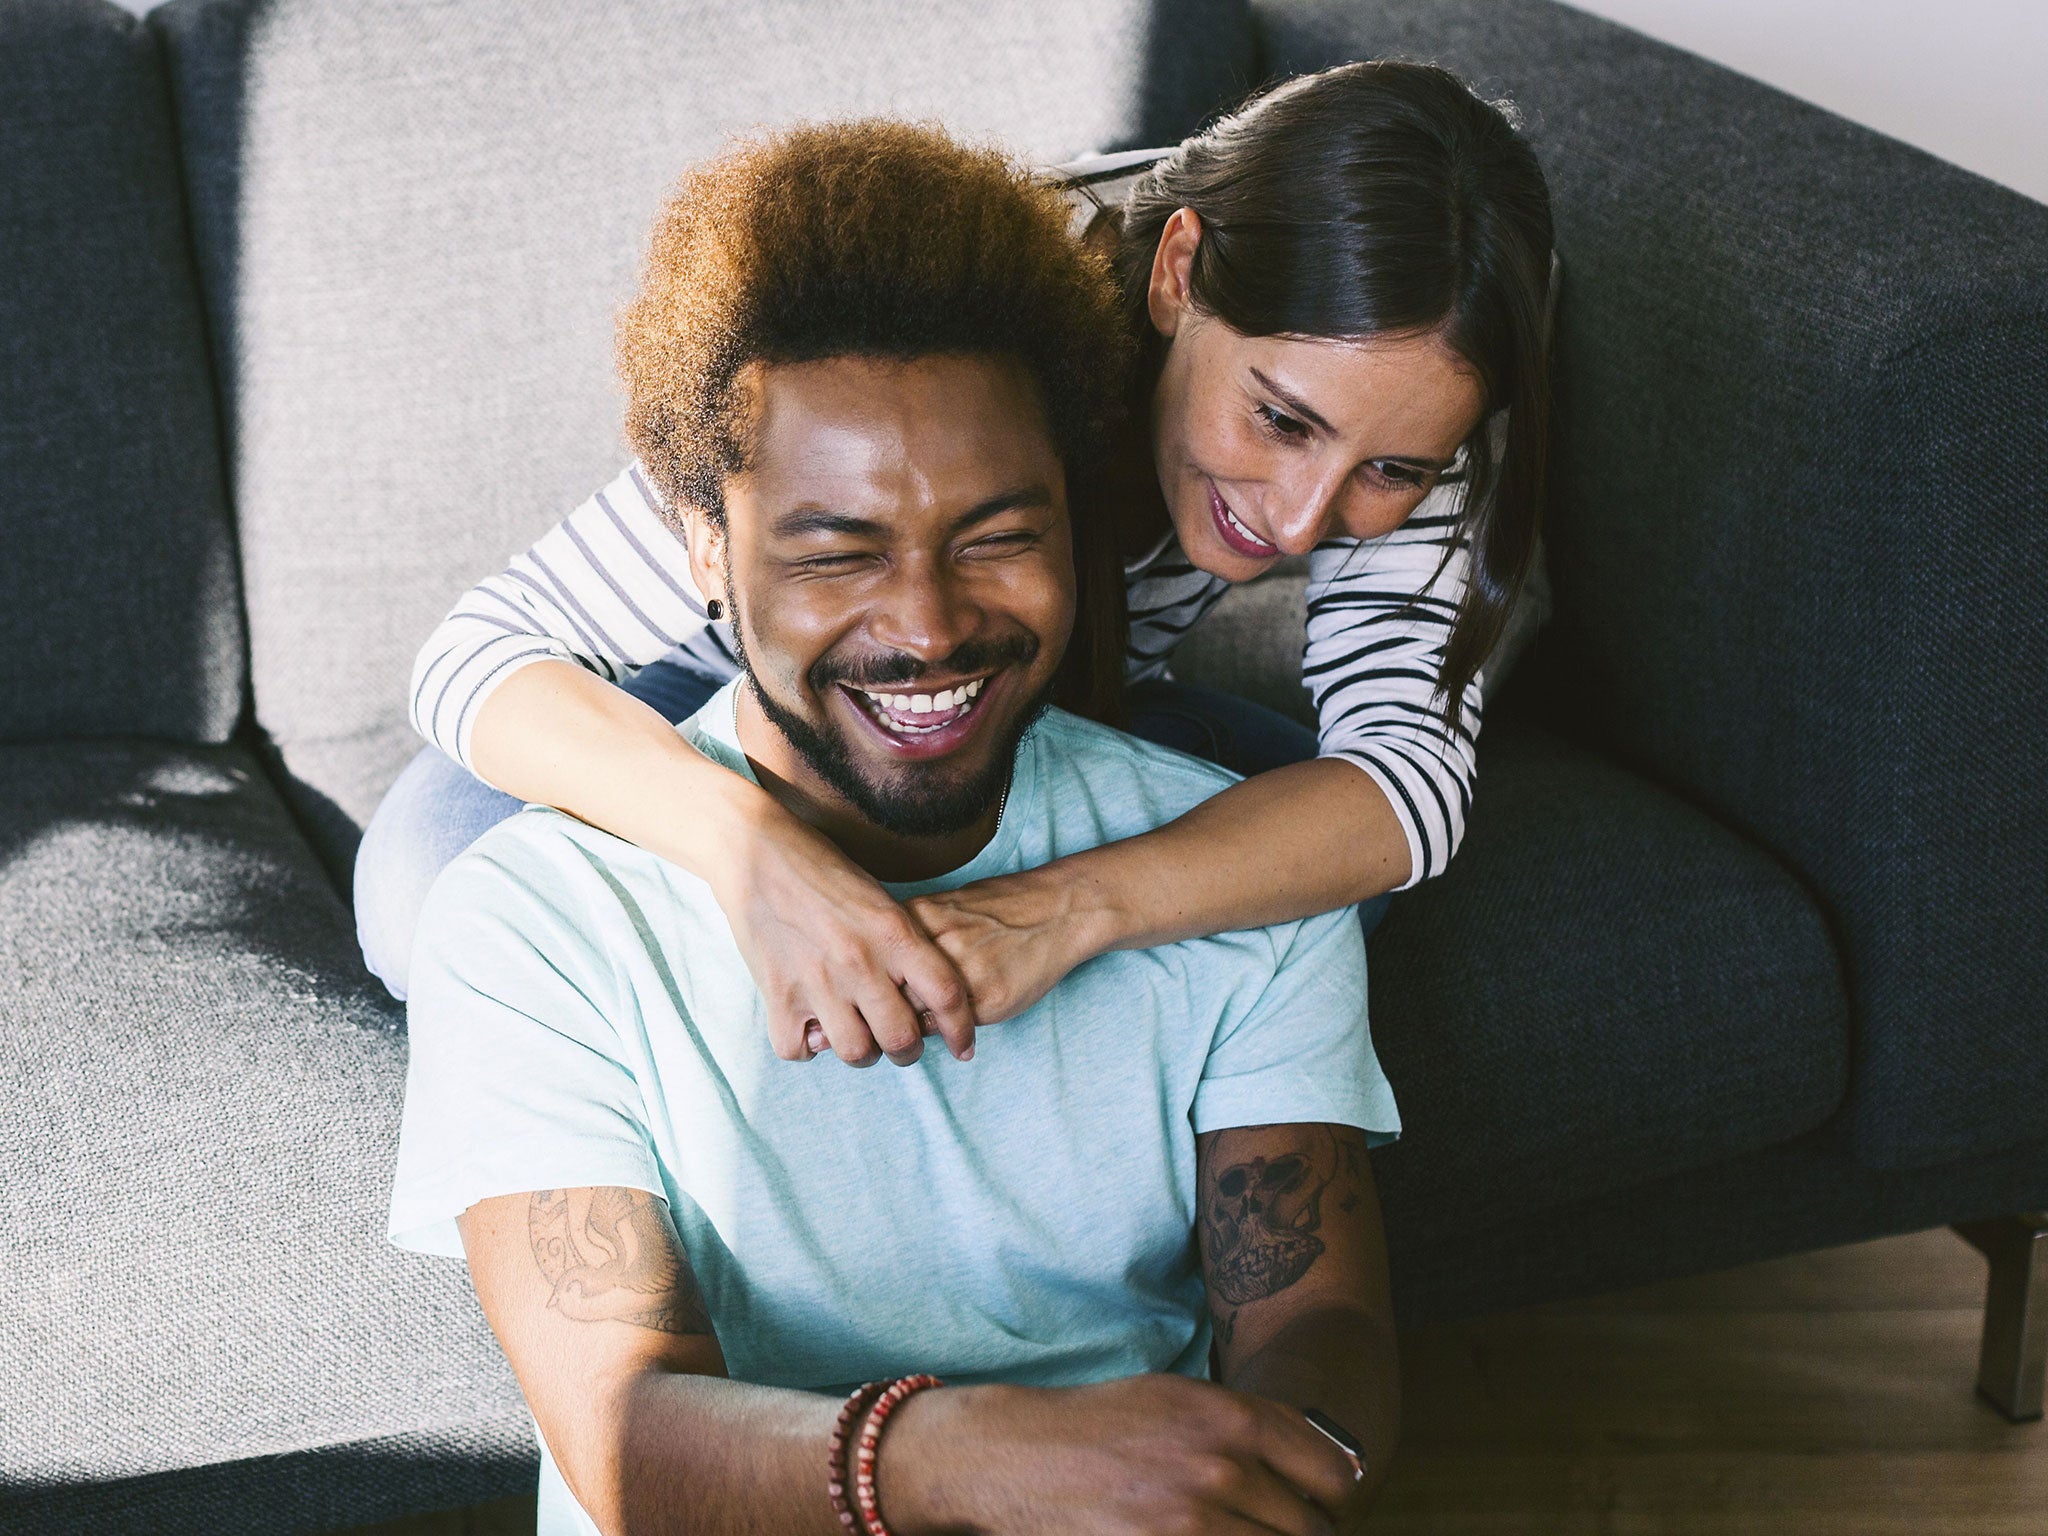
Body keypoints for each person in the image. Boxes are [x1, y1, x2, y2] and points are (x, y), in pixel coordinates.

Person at [390, 121, 1401, 1536]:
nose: (926, 626)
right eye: (838, 551)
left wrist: (1274, 1464)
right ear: (701, 545)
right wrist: (965, 1462)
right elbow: (630, 1441)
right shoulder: (532, 925)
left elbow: (1317, 1317)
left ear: (1077, 516)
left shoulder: (1241, 866)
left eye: (999, 536)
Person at [359, 60, 1556, 1066]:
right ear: (1177, 271)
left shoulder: (1410, 398)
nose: (1299, 525)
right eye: (1279, 421)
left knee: (1319, 875)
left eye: (1388, 471)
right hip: (726, 702)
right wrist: (754, 857)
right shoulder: (962, 306)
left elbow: (1404, 787)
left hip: (1036, 707)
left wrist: (1057, 911)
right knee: (431, 894)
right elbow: (478, 649)